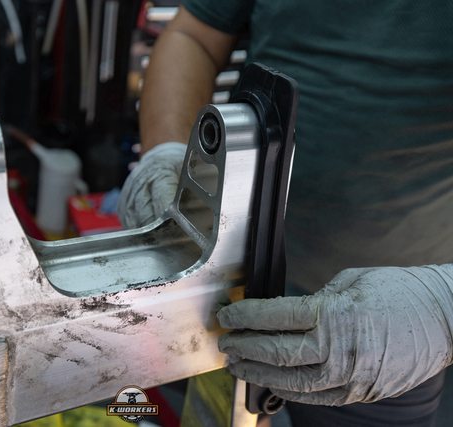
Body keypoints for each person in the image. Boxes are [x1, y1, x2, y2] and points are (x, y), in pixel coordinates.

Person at [118, 2, 453, 426]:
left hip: (391, 335)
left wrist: (443, 310)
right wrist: (167, 156)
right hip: (216, 298)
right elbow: (194, 35)